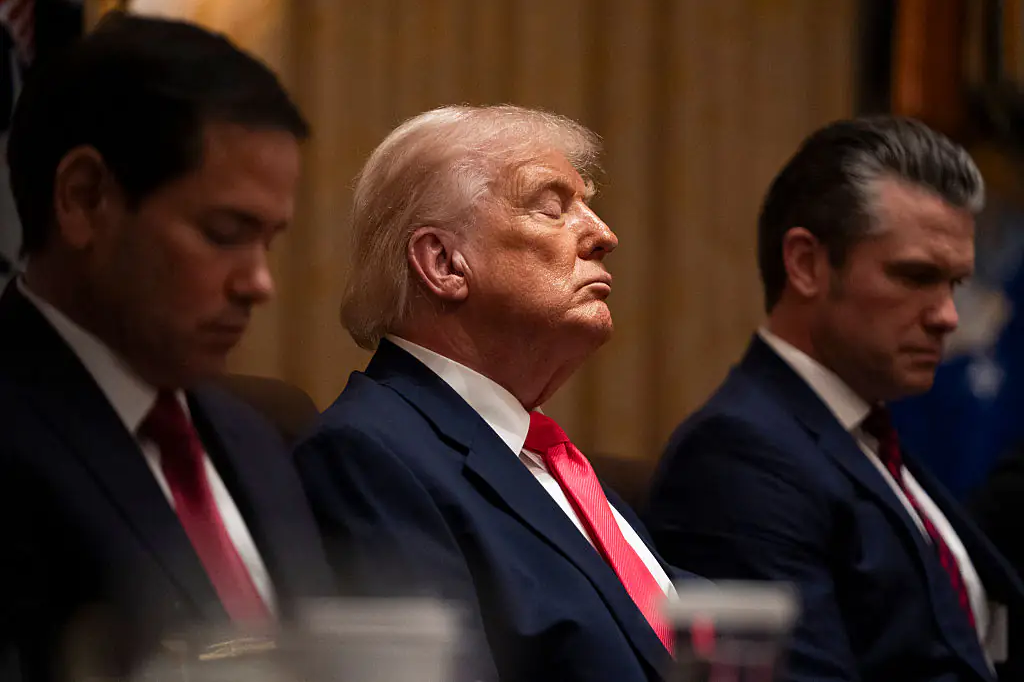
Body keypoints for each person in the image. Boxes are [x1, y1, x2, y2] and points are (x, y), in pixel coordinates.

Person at [294, 105, 692, 682]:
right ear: (444, 263)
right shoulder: (367, 456)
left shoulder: (548, 458)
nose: (605, 235)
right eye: (553, 209)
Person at [1, 14, 333, 681]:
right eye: (224, 232)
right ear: (84, 199)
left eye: (268, 240)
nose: (260, 283)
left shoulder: (259, 435)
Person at [644, 116, 1024, 682]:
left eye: (954, 284)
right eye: (915, 276)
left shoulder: (868, 437)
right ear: (806, 265)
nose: (947, 316)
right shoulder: (739, 456)